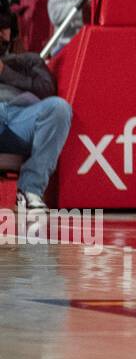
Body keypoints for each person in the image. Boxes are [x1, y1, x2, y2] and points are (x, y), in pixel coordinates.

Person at [0, 11, 72, 213]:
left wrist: (5, 72)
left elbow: (46, 89)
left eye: (2, 28)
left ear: (11, 32)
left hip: (23, 119)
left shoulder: (29, 60)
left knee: (59, 108)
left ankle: (30, 190)